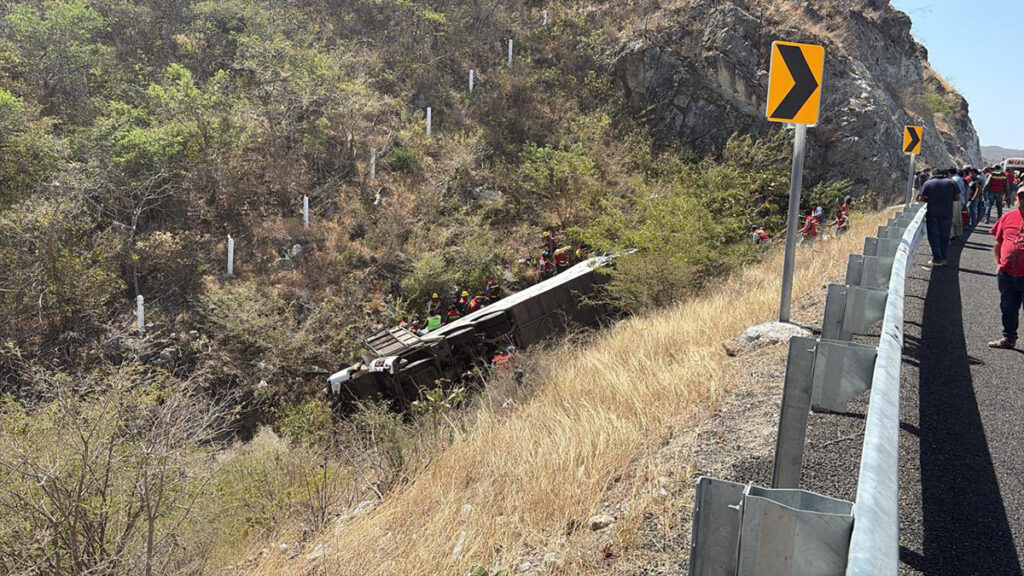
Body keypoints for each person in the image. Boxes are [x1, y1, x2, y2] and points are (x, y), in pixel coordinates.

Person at [988, 186, 1024, 349]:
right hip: (1007, 274)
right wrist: (997, 264)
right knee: (1008, 308)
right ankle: (1009, 338)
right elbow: (998, 242)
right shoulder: (1008, 217)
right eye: (1021, 196)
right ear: (1016, 198)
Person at [917, 168, 960, 267]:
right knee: (944, 236)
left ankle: (937, 259)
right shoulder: (952, 182)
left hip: (932, 214)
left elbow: (921, 198)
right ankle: (943, 258)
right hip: (947, 213)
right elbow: (957, 197)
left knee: (933, 236)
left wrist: (931, 199)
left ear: (933, 174)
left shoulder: (928, 183)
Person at [949, 167, 967, 239]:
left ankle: (953, 234)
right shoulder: (960, 179)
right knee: (957, 218)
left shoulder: (954, 180)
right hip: (961, 199)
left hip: (956, 200)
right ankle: (957, 233)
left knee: (954, 218)